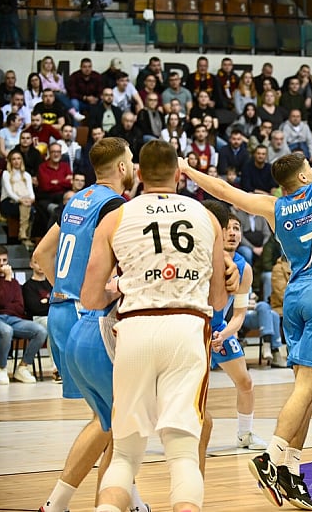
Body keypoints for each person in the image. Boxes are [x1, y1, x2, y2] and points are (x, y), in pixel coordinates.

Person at [177, 77, 312, 510]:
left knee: (307, 390)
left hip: (292, 295)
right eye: (309, 168)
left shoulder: (274, 206)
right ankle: (273, 456)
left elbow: (225, 191)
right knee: (308, 387)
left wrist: (188, 170)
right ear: (304, 175)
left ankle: (292, 469)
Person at [79, 140, 226, 512]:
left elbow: (91, 299)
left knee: (125, 455)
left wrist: (128, 282)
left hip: (135, 330)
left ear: (139, 175)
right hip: (187, 329)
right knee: (182, 454)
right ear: (179, 174)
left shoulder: (116, 218)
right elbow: (220, 300)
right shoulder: (206, 217)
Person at [32, 138, 150, 512]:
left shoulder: (75, 202)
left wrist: (65, 291)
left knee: (108, 419)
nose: (132, 167)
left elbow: (39, 255)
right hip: (91, 317)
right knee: (117, 421)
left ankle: (114, 501)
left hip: (61, 313)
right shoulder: (115, 206)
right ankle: (109, 504)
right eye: (131, 161)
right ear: (121, 168)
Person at [205, 204, 268, 449]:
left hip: (219, 328)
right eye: (227, 228)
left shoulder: (244, 268)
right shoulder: (202, 257)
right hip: (192, 328)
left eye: (237, 228)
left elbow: (240, 314)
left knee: (246, 383)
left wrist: (225, 333)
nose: (232, 233)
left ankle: (245, 434)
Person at [0, 246, 48, 384]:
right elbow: (3, 300)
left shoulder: (14, 283)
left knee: (40, 331)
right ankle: (1, 368)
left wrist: (6, 304)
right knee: (6, 331)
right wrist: (7, 279)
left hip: (14, 319)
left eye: (4, 260)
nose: (2, 264)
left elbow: (19, 307)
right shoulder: (10, 280)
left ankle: (23, 367)